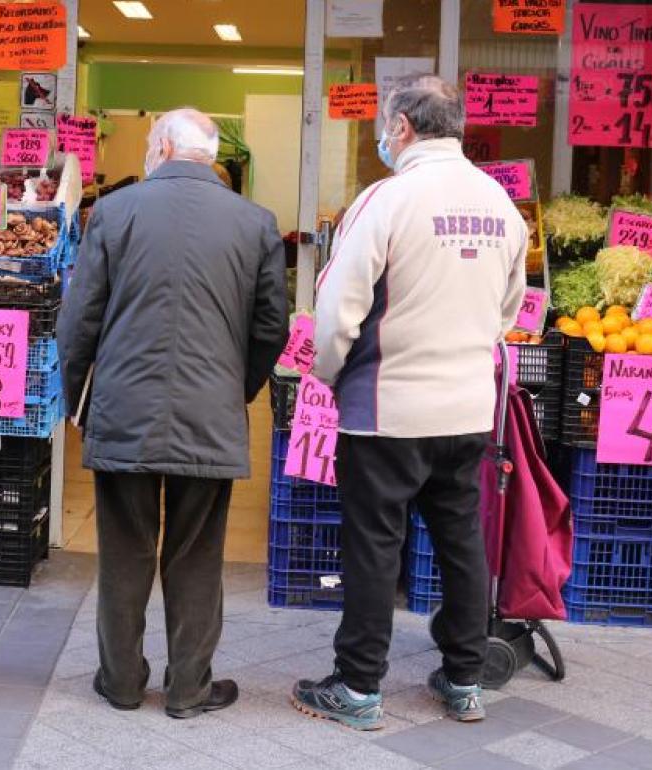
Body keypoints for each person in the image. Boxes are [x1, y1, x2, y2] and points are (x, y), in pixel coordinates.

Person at [290, 75, 527, 729]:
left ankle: (360, 687)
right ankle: (464, 678)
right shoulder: (500, 205)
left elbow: (339, 310)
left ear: (401, 128)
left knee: (374, 545)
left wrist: (330, 375)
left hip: (387, 407)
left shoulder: (386, 200)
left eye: (382, 128)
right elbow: (508, 309)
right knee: (460, 542)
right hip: (468, 408)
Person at [58, 108, 288, 719]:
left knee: (125, 551)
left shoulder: (113, 212)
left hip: (124, 407)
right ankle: (189, 688)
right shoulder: (256, 222)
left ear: (159, 146)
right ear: (210, 155)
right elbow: (272, 328)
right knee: (196, 553)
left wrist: (77, 395)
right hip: (209, 411)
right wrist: (234, 388)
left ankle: (121, 682)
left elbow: (79, 320)